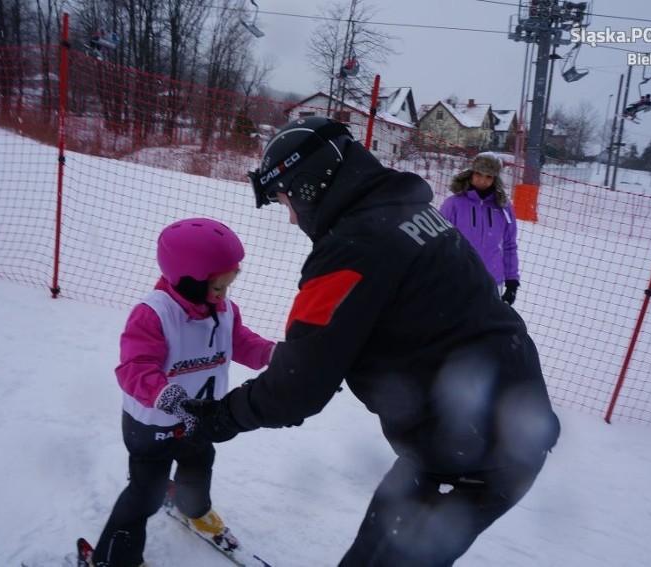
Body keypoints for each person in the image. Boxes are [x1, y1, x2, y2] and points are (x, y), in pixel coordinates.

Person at [181, 117, 561, 565]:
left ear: (309, 185)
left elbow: (296, 389)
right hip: (480, 430)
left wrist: (219, 418)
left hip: (471, 455)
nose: (290, 215)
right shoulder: (411, 212)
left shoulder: (353, 249)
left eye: (286, 200)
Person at [89, 218, 275, 567]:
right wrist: (172, 399)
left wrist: (274, 355)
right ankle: (114, 559)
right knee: (146, 492)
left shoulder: (224, 310)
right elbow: (135, 368)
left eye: (226, 287)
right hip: (153, 424)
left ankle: (193, 507)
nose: (223, 296)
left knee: (199, 463)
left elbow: (242, 342)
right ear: (190, 282)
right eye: (218, 288)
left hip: (202, 416)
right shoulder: (155, 314)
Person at [439, 152, 521, 305]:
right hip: (459, 277)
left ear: (495, 179)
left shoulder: (503, 207)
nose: (482, 180)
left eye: (489, 176)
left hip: (492, 280)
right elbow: (440, 242)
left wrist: (512, 282)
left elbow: (509, 245)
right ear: (471, 174)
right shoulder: (453, 204)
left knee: (485, 326)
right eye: (479, 174)